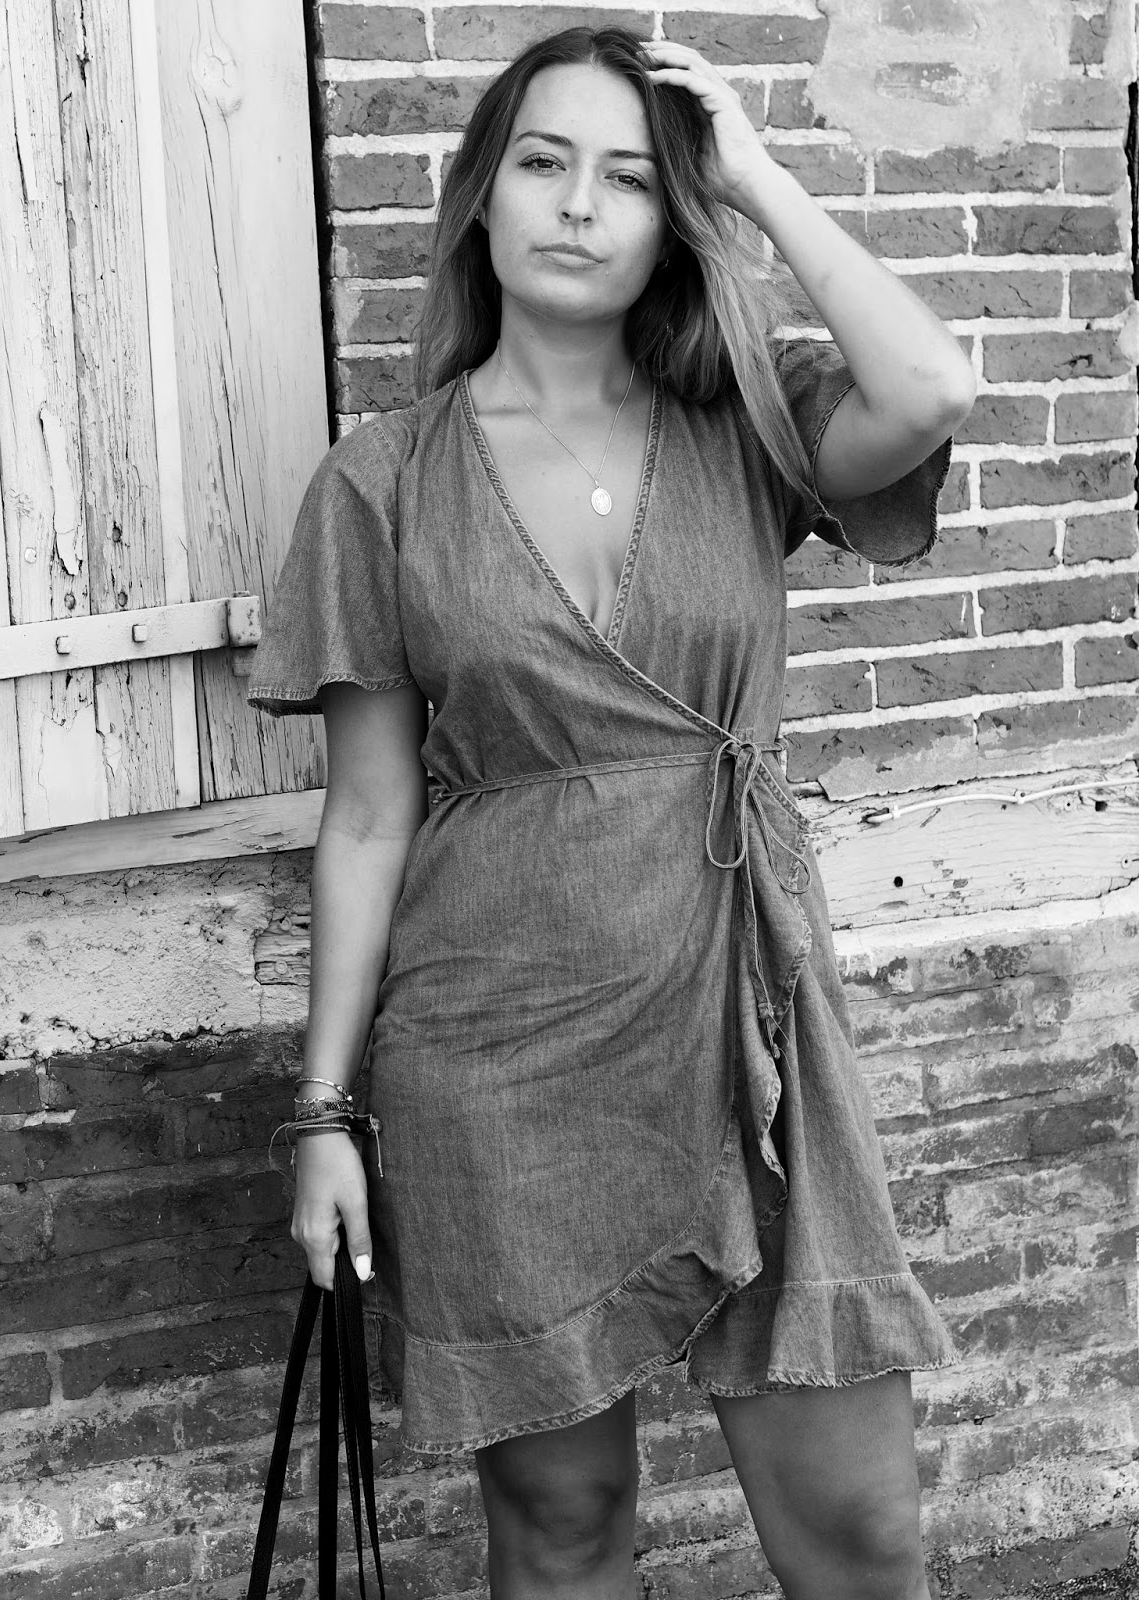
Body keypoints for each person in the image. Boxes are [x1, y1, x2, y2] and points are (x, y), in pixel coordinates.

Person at [247, 25, 976, 1600]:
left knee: (862, 1537)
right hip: (495, 1058)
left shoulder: (748, 422)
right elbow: (366, 819)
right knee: (565, 1531)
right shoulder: (380, 484)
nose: (580, 205)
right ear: (482, 197)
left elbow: (930, 387)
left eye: (633, 178)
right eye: (544, 161)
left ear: (672, 220)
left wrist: (755, 171)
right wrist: (322, 1115)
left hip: (746, 1017)